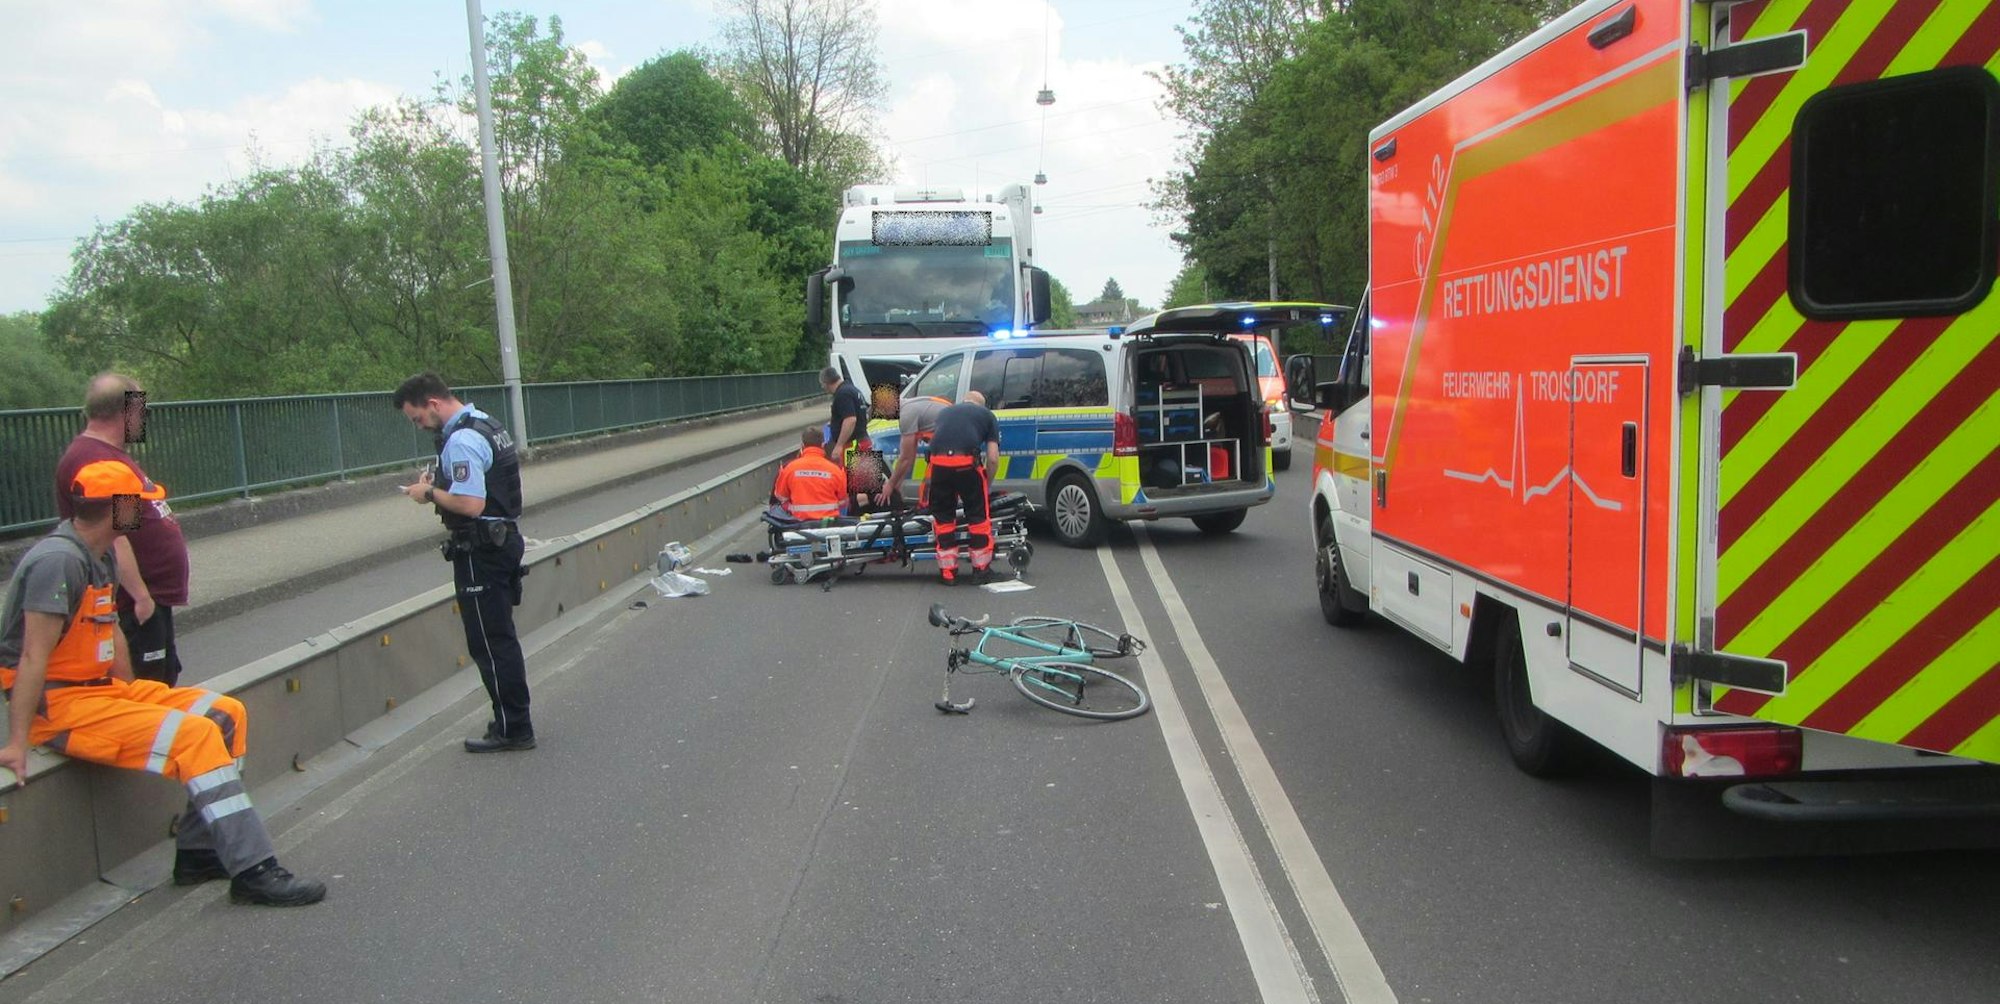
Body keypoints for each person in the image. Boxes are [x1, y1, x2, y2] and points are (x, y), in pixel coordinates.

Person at [1, 461, 325, 906]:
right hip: (59, 706)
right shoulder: (58, 562)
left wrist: (133, 697)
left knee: (225, 713)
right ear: (116, 509)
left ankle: (199, 853)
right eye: (139, 504)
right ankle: (254, 870)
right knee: (196, 735)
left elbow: (108, 630)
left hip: (98, 691)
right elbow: (32, 656)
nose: (147, 512)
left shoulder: (100, 552)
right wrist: (18, 742)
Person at [393, 373, 533, 753]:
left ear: (432, 404)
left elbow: (471, 504)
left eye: (417, 418)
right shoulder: (486, 424)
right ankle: (512, 721)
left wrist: (428, 492)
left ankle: (514, 728)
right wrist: (439, 482)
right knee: (500, 637)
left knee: (490, 643)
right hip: (502, 540)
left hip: (481, 550)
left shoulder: (461, 440)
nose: (419, 426)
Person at [53, 373, 190, 687]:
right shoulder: (100, 462)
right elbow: (116, 534)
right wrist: (141, 596)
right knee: (146, 686)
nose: (144, 419)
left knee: (161, 680)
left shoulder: (109, 455)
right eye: (142, 410)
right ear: (125, 411)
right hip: (135, 602)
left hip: (149, 597)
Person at [925, 391, 1001, 585]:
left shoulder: (944, 413)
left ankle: (948, 573)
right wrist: (987, 484)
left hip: (938, 465)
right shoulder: (987, 415)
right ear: (981, 405)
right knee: (978, 518)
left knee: (943, 519)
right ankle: (981, 570)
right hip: (966, 465)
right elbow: (993, 458)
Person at [875, 390, 954, 510]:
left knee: (931, 491)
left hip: (951, 448)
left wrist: (890, 485)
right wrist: (898, 484)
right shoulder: (912, 406)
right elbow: (910, 456)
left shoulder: (907, 414)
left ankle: (934, 511)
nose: (885, 418)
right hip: (953, 444)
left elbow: (906, 458)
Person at [773, 426, 849, 520]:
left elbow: (780, 496)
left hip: (799, 522)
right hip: (828, 523)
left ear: (802, 445)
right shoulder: (836, 470)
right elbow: (843, 500)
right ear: (823, 445)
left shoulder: (789, 469)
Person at [821, 366, 871, 464]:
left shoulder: (843, 394)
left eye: (822, 384)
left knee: (851, 474)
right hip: (862, 442)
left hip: (852, 446)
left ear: (826, 383)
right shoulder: (853, 389)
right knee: (865, 474)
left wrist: (839, 445)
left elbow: (850, 420)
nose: (822, 387)